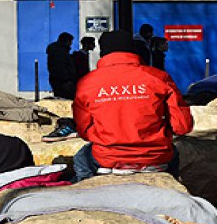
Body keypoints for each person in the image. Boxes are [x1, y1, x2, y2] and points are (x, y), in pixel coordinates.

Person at [72, 29, 193, 182]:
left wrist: (109, 138)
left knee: (81, 158)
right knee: (174, 152)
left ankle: (88, 194)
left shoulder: (87, 82)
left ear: (103, 52)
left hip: (107, 158)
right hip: (155, 157)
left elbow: (84, 131)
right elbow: (182, 126)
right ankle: (172, 190)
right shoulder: (158, 77)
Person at [46, 32, 77, 99]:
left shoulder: (57, 50)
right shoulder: (60, 51)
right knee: (65, 100)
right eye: (70, 41)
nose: (71, 44)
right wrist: (66, 80)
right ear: (67, 41)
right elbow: (61, 67)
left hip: (58, 80)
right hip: (63, 82)